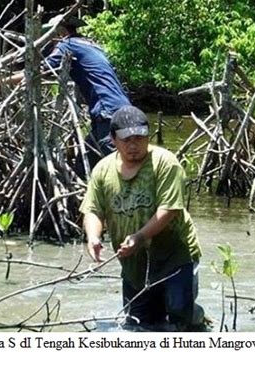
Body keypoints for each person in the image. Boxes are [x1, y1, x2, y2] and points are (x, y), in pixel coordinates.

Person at [81, 105, 204, 331]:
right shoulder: (102, 171)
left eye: (139, 138)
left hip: (175, 255)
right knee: (140, 325)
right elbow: (93, 210)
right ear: (112, 140)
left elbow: (169, 209)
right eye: (126, 140)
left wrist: (139, 237)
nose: (134, 145)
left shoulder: (165, 163)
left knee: (179, 317)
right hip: (133, 263)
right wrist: (93, 237)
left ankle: (196, 317)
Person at [0, 14, 131, 168]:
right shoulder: (93, 46)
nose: (51, 40)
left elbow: (36, 72)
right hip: (124, 109)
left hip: (107, 112)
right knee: (85, 165)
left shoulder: (67, 45)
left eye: (52, 35)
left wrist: (2, 81)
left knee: (121, 167)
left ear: (60, 33)